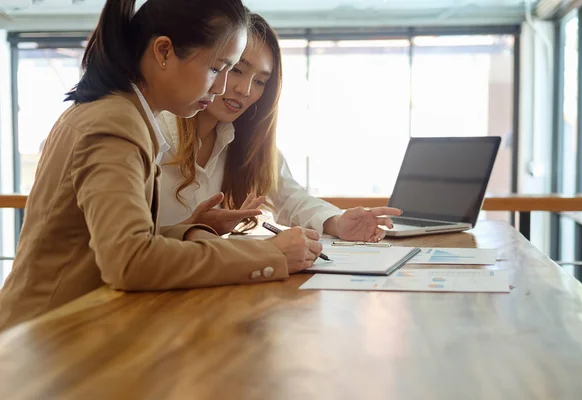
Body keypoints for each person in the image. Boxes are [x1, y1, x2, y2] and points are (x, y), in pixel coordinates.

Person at [0, 0, 322, 332]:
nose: (223, 88)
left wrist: (190, 228)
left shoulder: (122, 114)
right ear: (164, 51)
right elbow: (129, 262)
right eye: (217, 69)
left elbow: (106, 246)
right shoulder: (115, 124)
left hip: (65, 330)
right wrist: (269, 256)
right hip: (41, 341)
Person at [158, 13, 401, 242]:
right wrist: (192, 229)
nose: (246, 89)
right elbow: (128, 242)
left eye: (260, 81)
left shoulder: (248, 145)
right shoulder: (153, 132)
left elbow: (292, 199)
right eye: (236, 70)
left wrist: (338, 222)